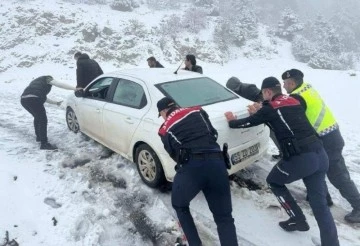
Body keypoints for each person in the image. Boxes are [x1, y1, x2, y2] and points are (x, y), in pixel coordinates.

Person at [226, 77, 339, 246]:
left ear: (268, 92)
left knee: (274, 181)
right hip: (320, 155)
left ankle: (297, 218)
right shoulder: (293, 100)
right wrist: (261, 111)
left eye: (264, 94)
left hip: (301, 158)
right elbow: (282, 117)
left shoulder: (269, 108)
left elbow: (243, 123)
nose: (263, 97)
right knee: (320, 205)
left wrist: (231, 120)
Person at [157, 97, 238, 246]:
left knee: (179, 205)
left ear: (163, 112)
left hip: (192, 169)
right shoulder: (197, 110)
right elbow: (213, 134)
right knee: (224, 217)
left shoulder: (164, 129)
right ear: (175, 105)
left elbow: (176, 155)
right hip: (217, 163)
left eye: (161, 114)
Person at [282, 68, 360, 223]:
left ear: (291, 83)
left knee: (338, 176)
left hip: (327, 140)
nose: (284, 86)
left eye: (285, 83)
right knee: (316, 168)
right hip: (330, 135)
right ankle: (323, 196)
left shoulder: (297, 97)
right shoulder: (307, 89)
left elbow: (295, 120)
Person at [226, 76, 282, 160]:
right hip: (256, 112)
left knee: (272, 132)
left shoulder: (249, 88)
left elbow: (261, 96)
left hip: (262, 112)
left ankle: (283, 152)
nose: (233, 91)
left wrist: (259, 105)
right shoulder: (235, 91)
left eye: (234, 89)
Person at [21, 76, 77, 150]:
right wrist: (75, 88)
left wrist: (55, 103)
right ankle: (44, 144)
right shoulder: (47, 78)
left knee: (37, 117)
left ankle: (39, 137)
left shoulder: (35, 84)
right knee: (43, 119)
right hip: (34, 99)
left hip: (24, 100)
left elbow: (43, 97)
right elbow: (59, 84)